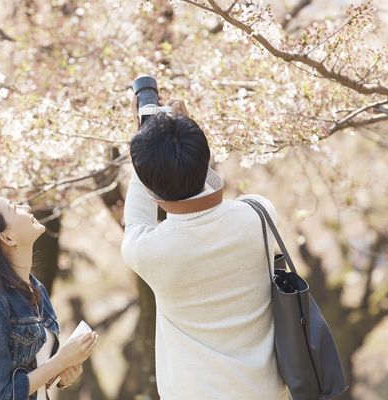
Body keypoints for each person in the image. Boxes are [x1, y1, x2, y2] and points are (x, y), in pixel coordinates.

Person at [121, 100, 289, 399]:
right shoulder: (259, 215)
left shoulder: (150, 252)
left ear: (149, 189)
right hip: (266, 391)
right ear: (205, 158)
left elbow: (136, 217)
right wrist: (181, 139)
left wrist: (146, 142)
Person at [0, 190, 99, 399]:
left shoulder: (36, 290)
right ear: (7, 238)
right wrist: (60, 361)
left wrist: (64, 375)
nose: (26, 207)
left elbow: (36, 373)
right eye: (15, 208)